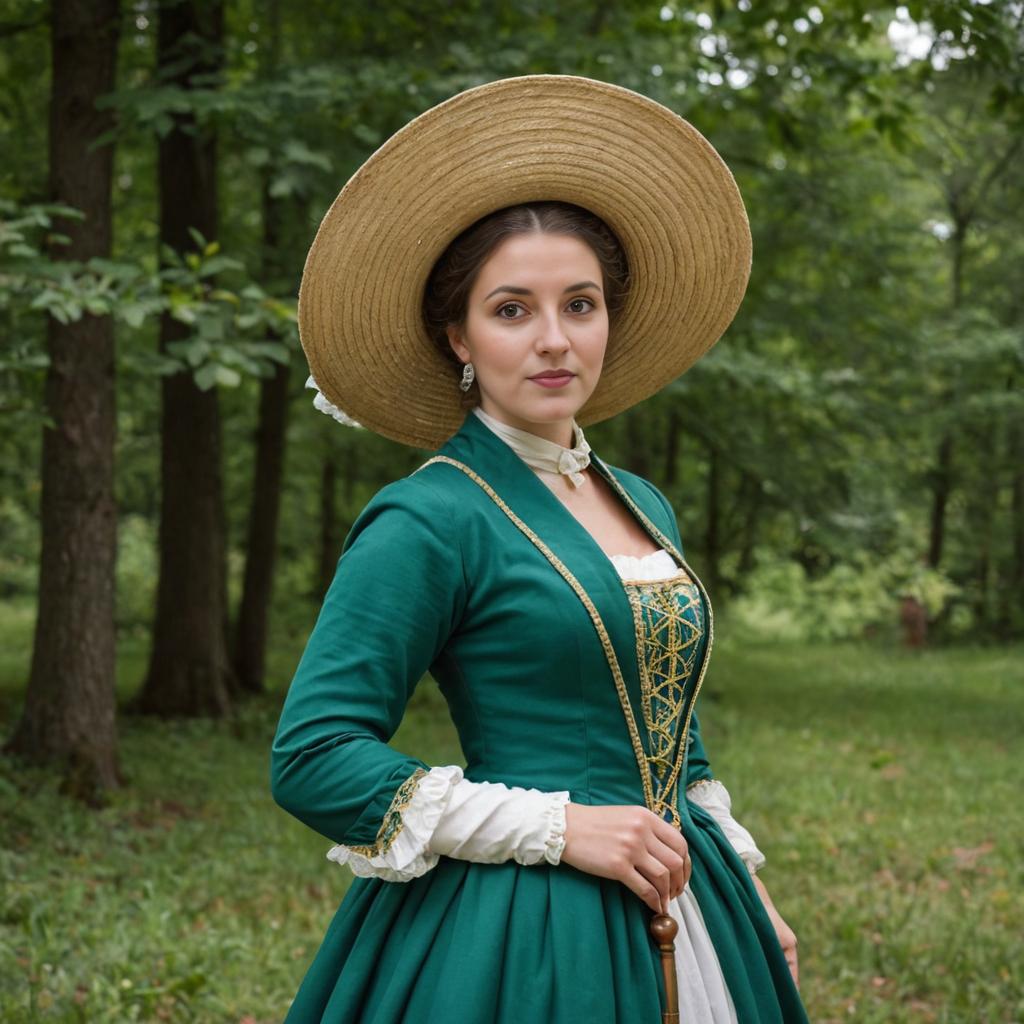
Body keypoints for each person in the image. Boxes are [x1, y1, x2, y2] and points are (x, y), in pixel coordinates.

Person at [271, 74, 809, 1023]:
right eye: (513, 309)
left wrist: (743, 880)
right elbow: (313, 754)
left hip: (694, 898)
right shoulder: (430, 516)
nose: (555, 341)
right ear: (459, 335)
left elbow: (668, 733)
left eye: (582, 304)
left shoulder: (641, 502)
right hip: (528, 924)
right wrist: (557, 827)